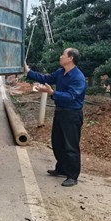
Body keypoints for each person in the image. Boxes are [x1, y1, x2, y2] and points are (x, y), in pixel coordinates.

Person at [25, 48, 86, 187]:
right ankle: (61, 168)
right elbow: (46, 78)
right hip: (60, 112)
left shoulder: (78, 77)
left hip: (72, 114)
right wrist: (28, 71)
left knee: (70, 145)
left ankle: (72, 176)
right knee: (58, 142)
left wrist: (53, 92)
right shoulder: (60, 72)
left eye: (63, 54)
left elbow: (71, 97)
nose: (60, 56)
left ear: (70, 58)